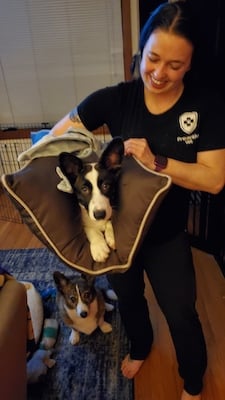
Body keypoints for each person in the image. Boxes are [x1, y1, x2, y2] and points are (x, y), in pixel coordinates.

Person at [49, 1, 225, 398]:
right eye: (153, 59)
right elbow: (60, 136)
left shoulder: (206, 106)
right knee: (128, 298)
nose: (160, 74)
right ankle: (143, 346)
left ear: (191, 64)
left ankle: (194, 383)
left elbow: (214, 180)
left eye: (175, 65)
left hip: (167, 234)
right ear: (141, 50)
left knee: (181, 312)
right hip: (117, 232)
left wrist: (156, 160)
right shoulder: (115, 99)